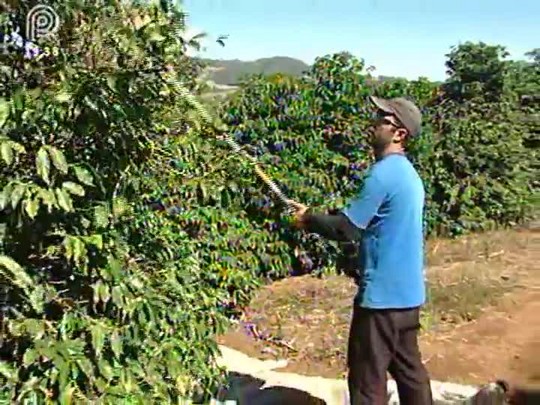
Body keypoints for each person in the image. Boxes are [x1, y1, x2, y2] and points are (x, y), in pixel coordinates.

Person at [287, 96, 433, 405]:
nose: (374, 123)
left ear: (399, 134)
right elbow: (368, 224)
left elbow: (346, 229)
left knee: (367, 380)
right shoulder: (407, 174)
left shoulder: (383, 174)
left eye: (383, 119)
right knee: (410, 372)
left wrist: (307, 220)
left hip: (382, 299)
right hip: (407, 297)